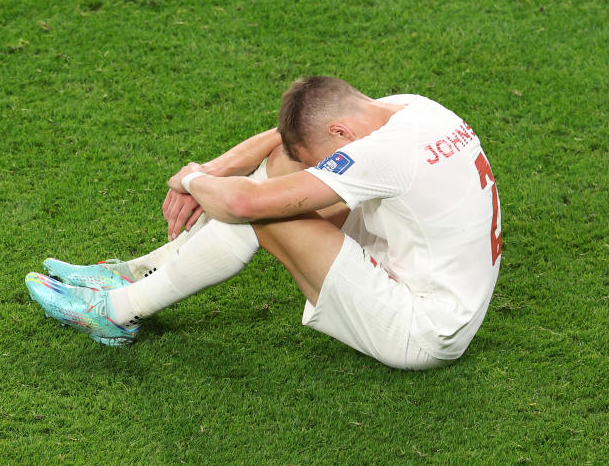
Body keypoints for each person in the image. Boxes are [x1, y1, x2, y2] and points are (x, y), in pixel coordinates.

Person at [25, 76, 502, 370]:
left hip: (424, 329)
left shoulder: (385, 153)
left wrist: (192, 179)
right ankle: (136, 273)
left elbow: (247, 206)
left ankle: (116, 312)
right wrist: (213, 170)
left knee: (262, 212)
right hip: (416, 264)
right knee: (290, 157)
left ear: (343, 132)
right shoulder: (411, 109)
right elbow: (285, 138)